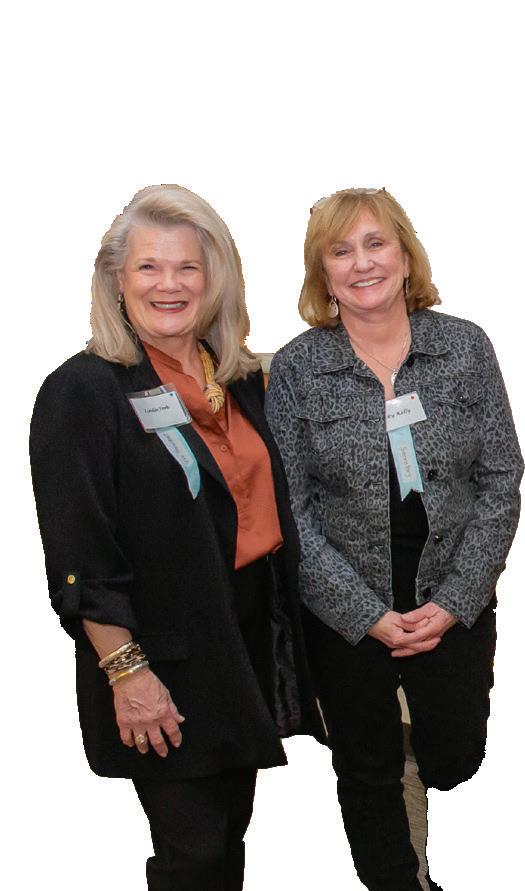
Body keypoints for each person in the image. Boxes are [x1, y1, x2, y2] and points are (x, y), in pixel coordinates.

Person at [29, 184, 323, 890]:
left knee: (227, 838)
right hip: (158, 656)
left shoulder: (241, 379)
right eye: (149, 267)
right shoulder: (84, 391)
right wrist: (128, 673)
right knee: (193, 854)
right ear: (116, 281)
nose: (170, 284)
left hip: (244, 638)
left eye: (188, 267)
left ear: (214, 278)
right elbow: (80, 554)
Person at [266, 188, 523, 891]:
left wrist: (457, 600)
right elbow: (291, 510)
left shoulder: (464, 348)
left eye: (375, 243)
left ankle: (416, 747)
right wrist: (364, 615)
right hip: (343, 605)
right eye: (340, 250)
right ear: (322, 274)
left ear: (406, 256)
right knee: (368, 766)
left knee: (453, 757)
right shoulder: (297, 369)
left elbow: (501, 478)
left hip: (450, 591)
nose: (362, 263)